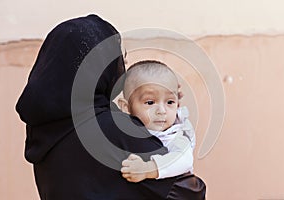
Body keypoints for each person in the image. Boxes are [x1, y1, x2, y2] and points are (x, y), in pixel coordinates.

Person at [15, 14, 206, 199]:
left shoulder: (43, 132)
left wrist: (158, 99)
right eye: (116, 57)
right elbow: (188, 191)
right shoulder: (114, 129)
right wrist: (173, 115)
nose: (122, 65)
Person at [118, 60, 196, 182]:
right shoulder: (120, 130)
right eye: (150, 102)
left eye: (170, 102)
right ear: (126, 107)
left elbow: (184, 160)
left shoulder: (174, 135)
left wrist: (148, 169)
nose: (162, 110)